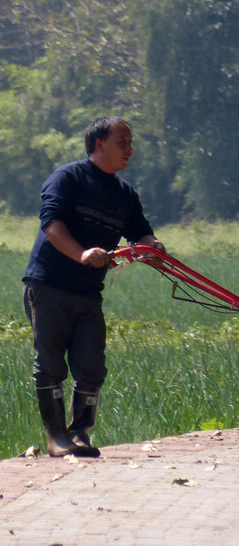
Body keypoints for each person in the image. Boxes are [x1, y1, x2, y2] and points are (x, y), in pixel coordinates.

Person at [23, 117, 165, 458]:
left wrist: (153, 246)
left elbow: (140, 231)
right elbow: (52, 225)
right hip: (49, 285)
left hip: (88, 293)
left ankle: (80, 433)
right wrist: (82, 253)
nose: (129, 149)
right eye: (122, 141)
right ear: (98, 144)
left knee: (91, 366)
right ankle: (57, 438)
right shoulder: (68, 178)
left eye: (130, 143)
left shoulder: (124, 193)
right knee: (51, 364)